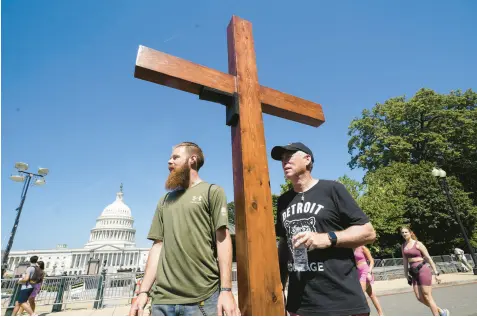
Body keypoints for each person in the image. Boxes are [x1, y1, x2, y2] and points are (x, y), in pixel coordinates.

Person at [129, 142, 240, 316]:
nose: (169, 161)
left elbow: (223, 240)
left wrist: (226, 290)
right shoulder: (164, 200)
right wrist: (143, 292)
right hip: (162, 301)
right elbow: (158, 246)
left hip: (202, 299)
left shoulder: (213, 192)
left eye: (175, 157)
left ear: (192, 160)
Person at [271, 142, 376, 316]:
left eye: (289, 156)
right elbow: (284, 245)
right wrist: (280, 287)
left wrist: (326, 238)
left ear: (307, 159)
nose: (284, 162)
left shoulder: (332, 189)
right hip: (300, 304)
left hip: (340, 300)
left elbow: (368, 232)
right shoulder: (283, 201)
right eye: (282, 159)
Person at [401, 226, 449, 316]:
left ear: (410, 233)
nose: (404, 234)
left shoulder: (418, 244)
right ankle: (441, 311)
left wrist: (436, 272)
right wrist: (406, 274)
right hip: (413, 272)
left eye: (406, 232)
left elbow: (428, 258)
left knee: (427, 296)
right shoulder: (403, 246)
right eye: (402, 232)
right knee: (419, 297)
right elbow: (405, 261)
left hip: (423, 270)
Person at [353, 246, 384, 315]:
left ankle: (365, 313)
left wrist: (369, 272)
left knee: (360, 294)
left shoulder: (363, 247)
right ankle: (381, 314)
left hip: (365, 271)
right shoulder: (352, 249)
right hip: (358, 272)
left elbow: (372, 261)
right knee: (372, 295)